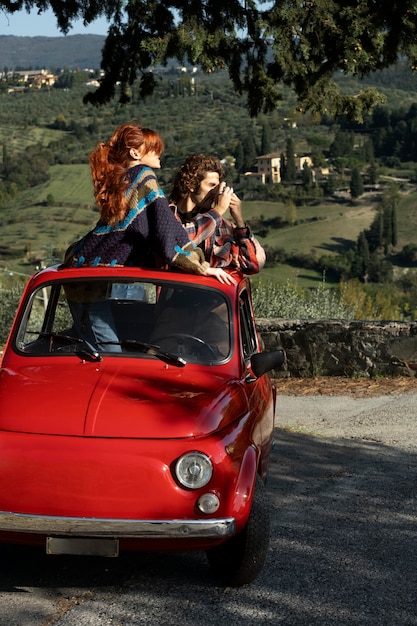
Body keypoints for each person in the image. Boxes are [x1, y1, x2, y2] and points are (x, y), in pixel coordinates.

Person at [63, 124, 234, 351]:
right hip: (86, 278)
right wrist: (201, 267)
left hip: (80, 267)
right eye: (154, 148)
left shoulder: (125, 179)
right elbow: (166, 229)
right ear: (135, 153)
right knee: (110, 353)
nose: (159, 152)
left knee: (101, 353)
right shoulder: (144, 177)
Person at [169, 153, 266, 274]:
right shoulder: (166, 216)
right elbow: (177, 246)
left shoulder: (222, 226)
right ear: (192, 185)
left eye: (218, 186)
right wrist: (218, 211)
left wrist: (239, 221)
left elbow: (253, 264)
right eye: (211, 185)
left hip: (212, 292)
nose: (216, 192)